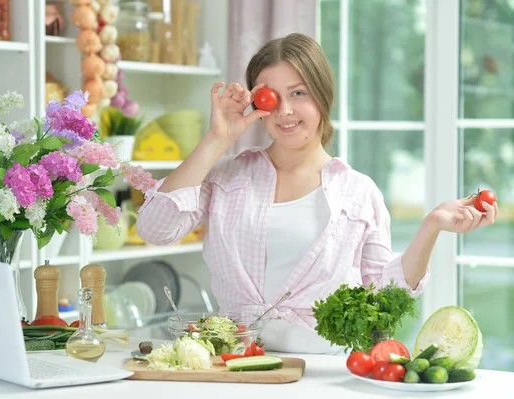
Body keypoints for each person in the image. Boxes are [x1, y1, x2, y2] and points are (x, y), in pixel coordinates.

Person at [135, 33, 499, 354]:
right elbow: (154, 229)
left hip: (325, 370)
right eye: (271, 98)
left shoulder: (358, 192)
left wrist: (432, 226)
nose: (286, 110)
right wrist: (217, 139)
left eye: (299, 93)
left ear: (323, 96)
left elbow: (384, 296)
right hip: (235, 364)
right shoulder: (226, 176)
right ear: (256, 105)